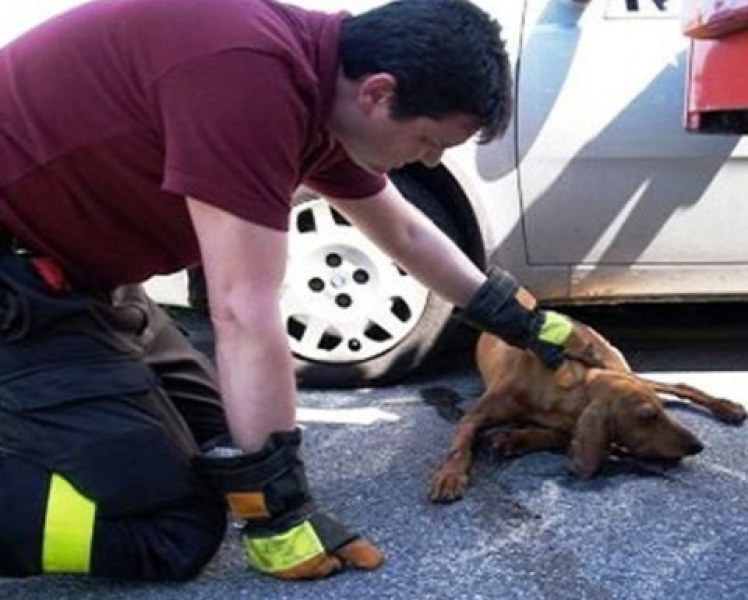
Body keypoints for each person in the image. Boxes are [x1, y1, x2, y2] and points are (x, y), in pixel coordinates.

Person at [0, 0, 597, 583]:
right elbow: (242, 311)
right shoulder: (246, 79)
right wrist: (281, 511)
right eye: (427, 141)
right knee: (174, 530)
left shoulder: (313, 87)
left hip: (78, 281)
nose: (432, 161)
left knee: (226, 449)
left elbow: (408, 231)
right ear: (379, 93)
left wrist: (528, 325)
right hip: (21, 283)